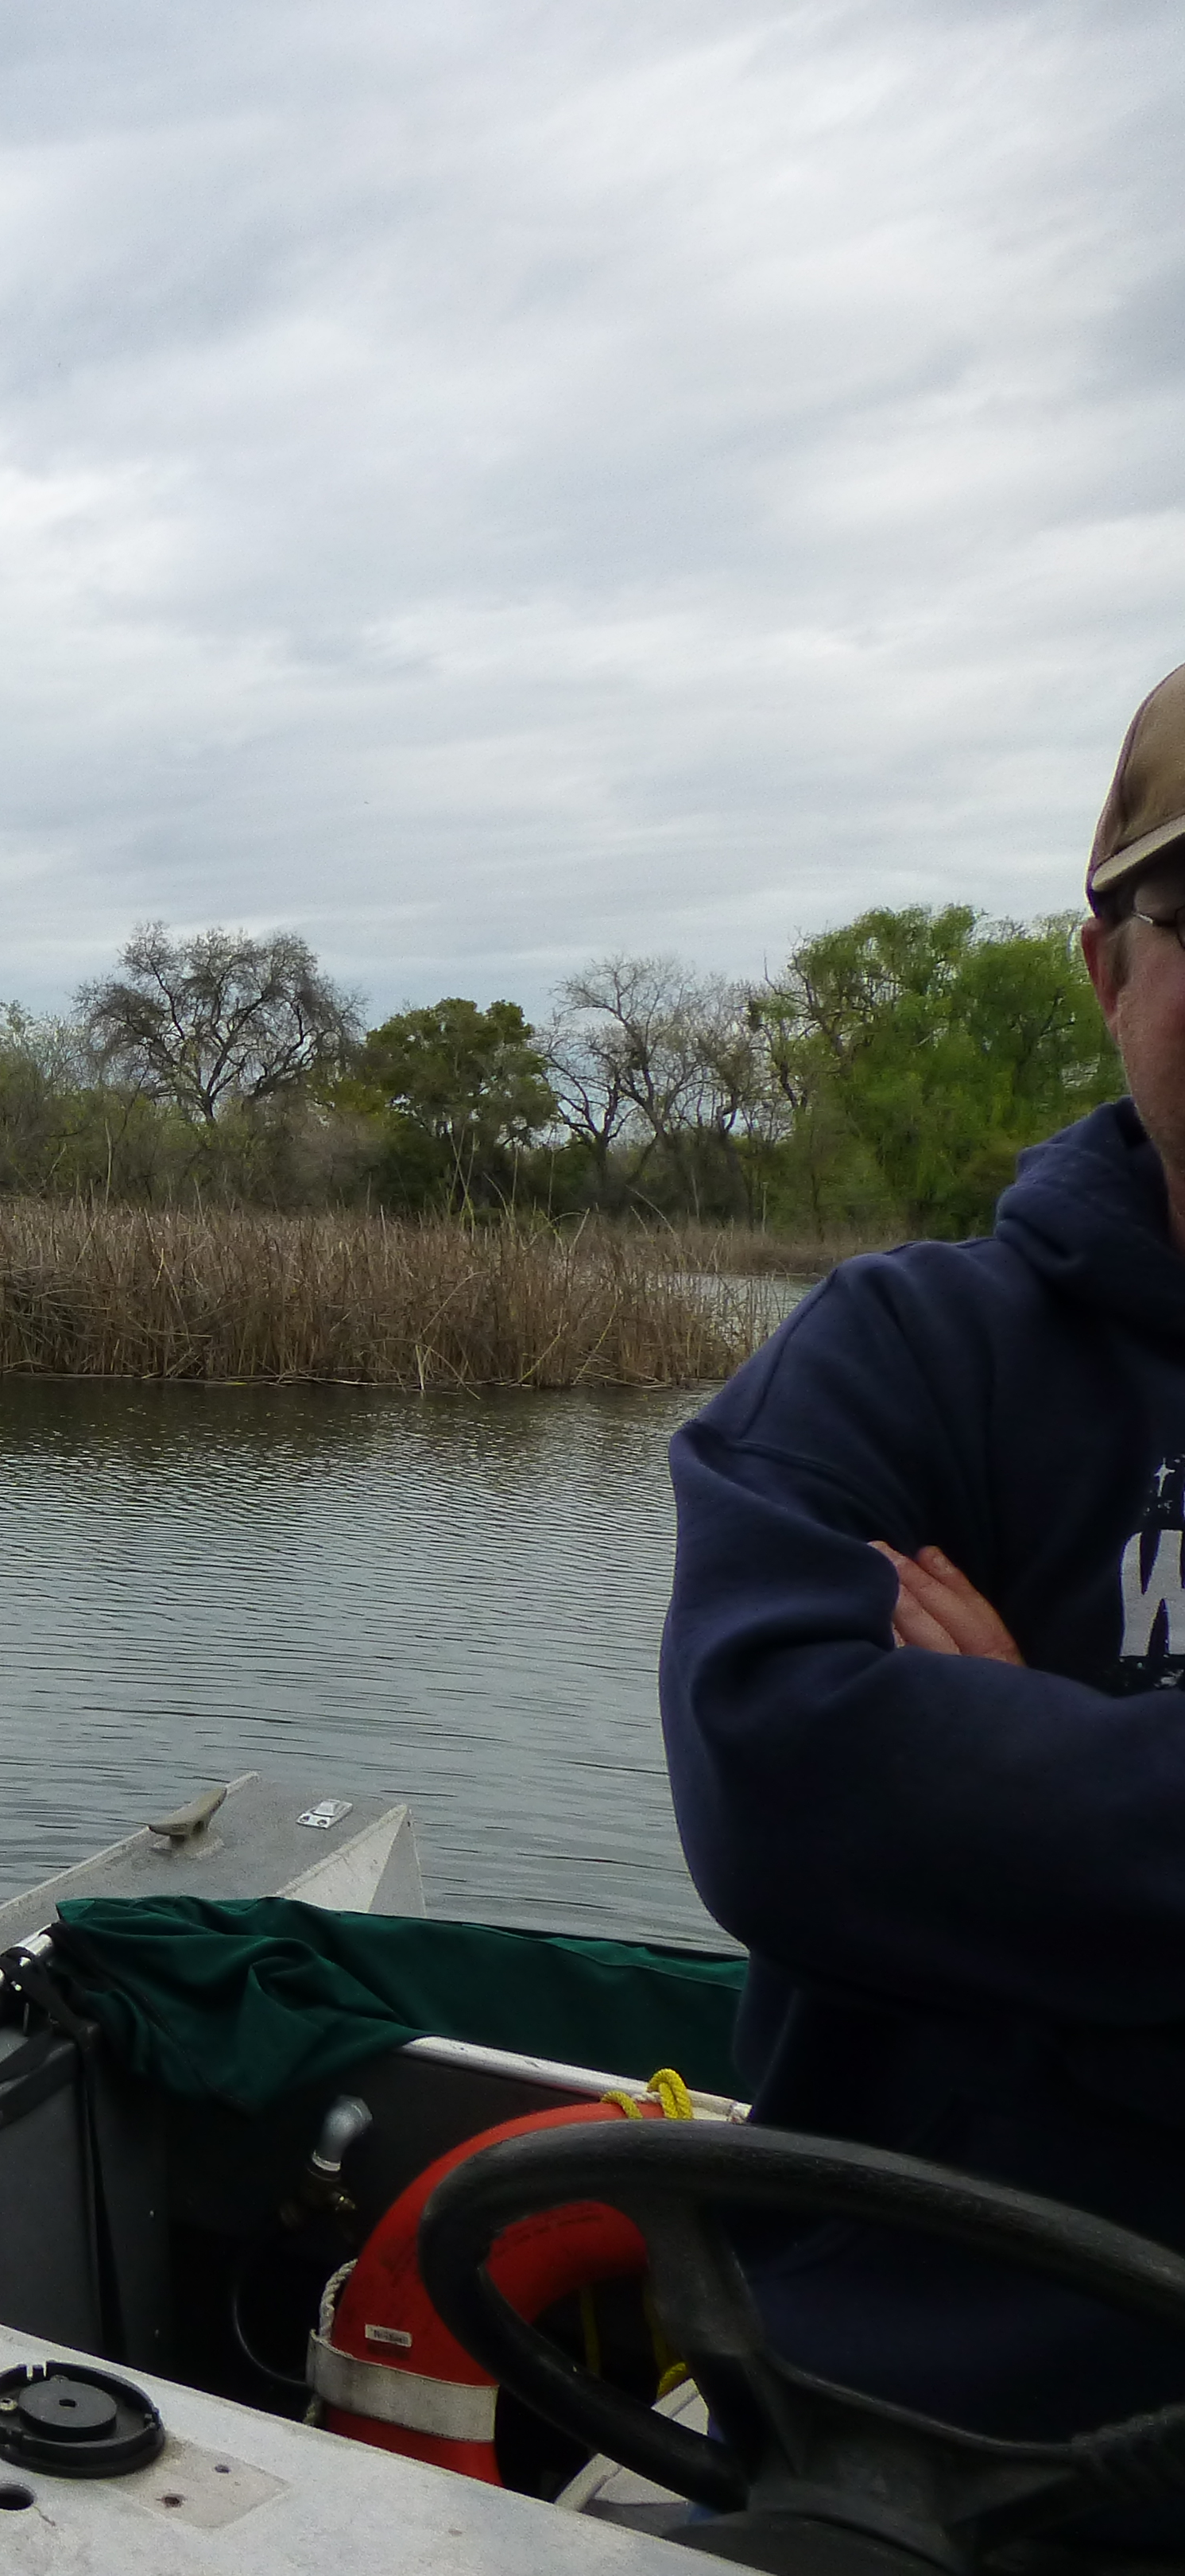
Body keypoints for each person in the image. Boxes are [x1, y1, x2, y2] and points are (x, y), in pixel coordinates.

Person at [660, 661, 1185, 2447]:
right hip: (895, 2433)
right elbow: (778, 1777)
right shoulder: (901, 1355)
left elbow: (902, 1813)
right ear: (1109, 972)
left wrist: (1028, 1775)